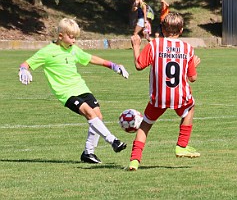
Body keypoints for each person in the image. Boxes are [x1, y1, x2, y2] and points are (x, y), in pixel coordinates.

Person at [18, 18, 129, 164]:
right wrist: (23, 69)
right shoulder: (47, 52)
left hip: (80, 87)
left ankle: (88, 153)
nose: (74, 40)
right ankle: (113, 141)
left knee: (98, 115)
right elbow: (26, 63)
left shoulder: (73, 49)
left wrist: (113, 65)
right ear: (60, 36)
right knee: (89, 113)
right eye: (71, 37)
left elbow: (90, 58)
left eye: (75, 37)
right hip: (65, 92)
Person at [128, 12, 201, 171]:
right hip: (179, 96)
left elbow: (139, 65)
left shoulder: (154, 45)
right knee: (190, 107)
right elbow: (193, 77)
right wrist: (194, 63)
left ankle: (134, 160)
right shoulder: (188, 49)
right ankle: (181, 145)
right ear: (181, 30)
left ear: (162, 28)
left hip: (158, 97)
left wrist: (135, 47)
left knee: (145, 125)